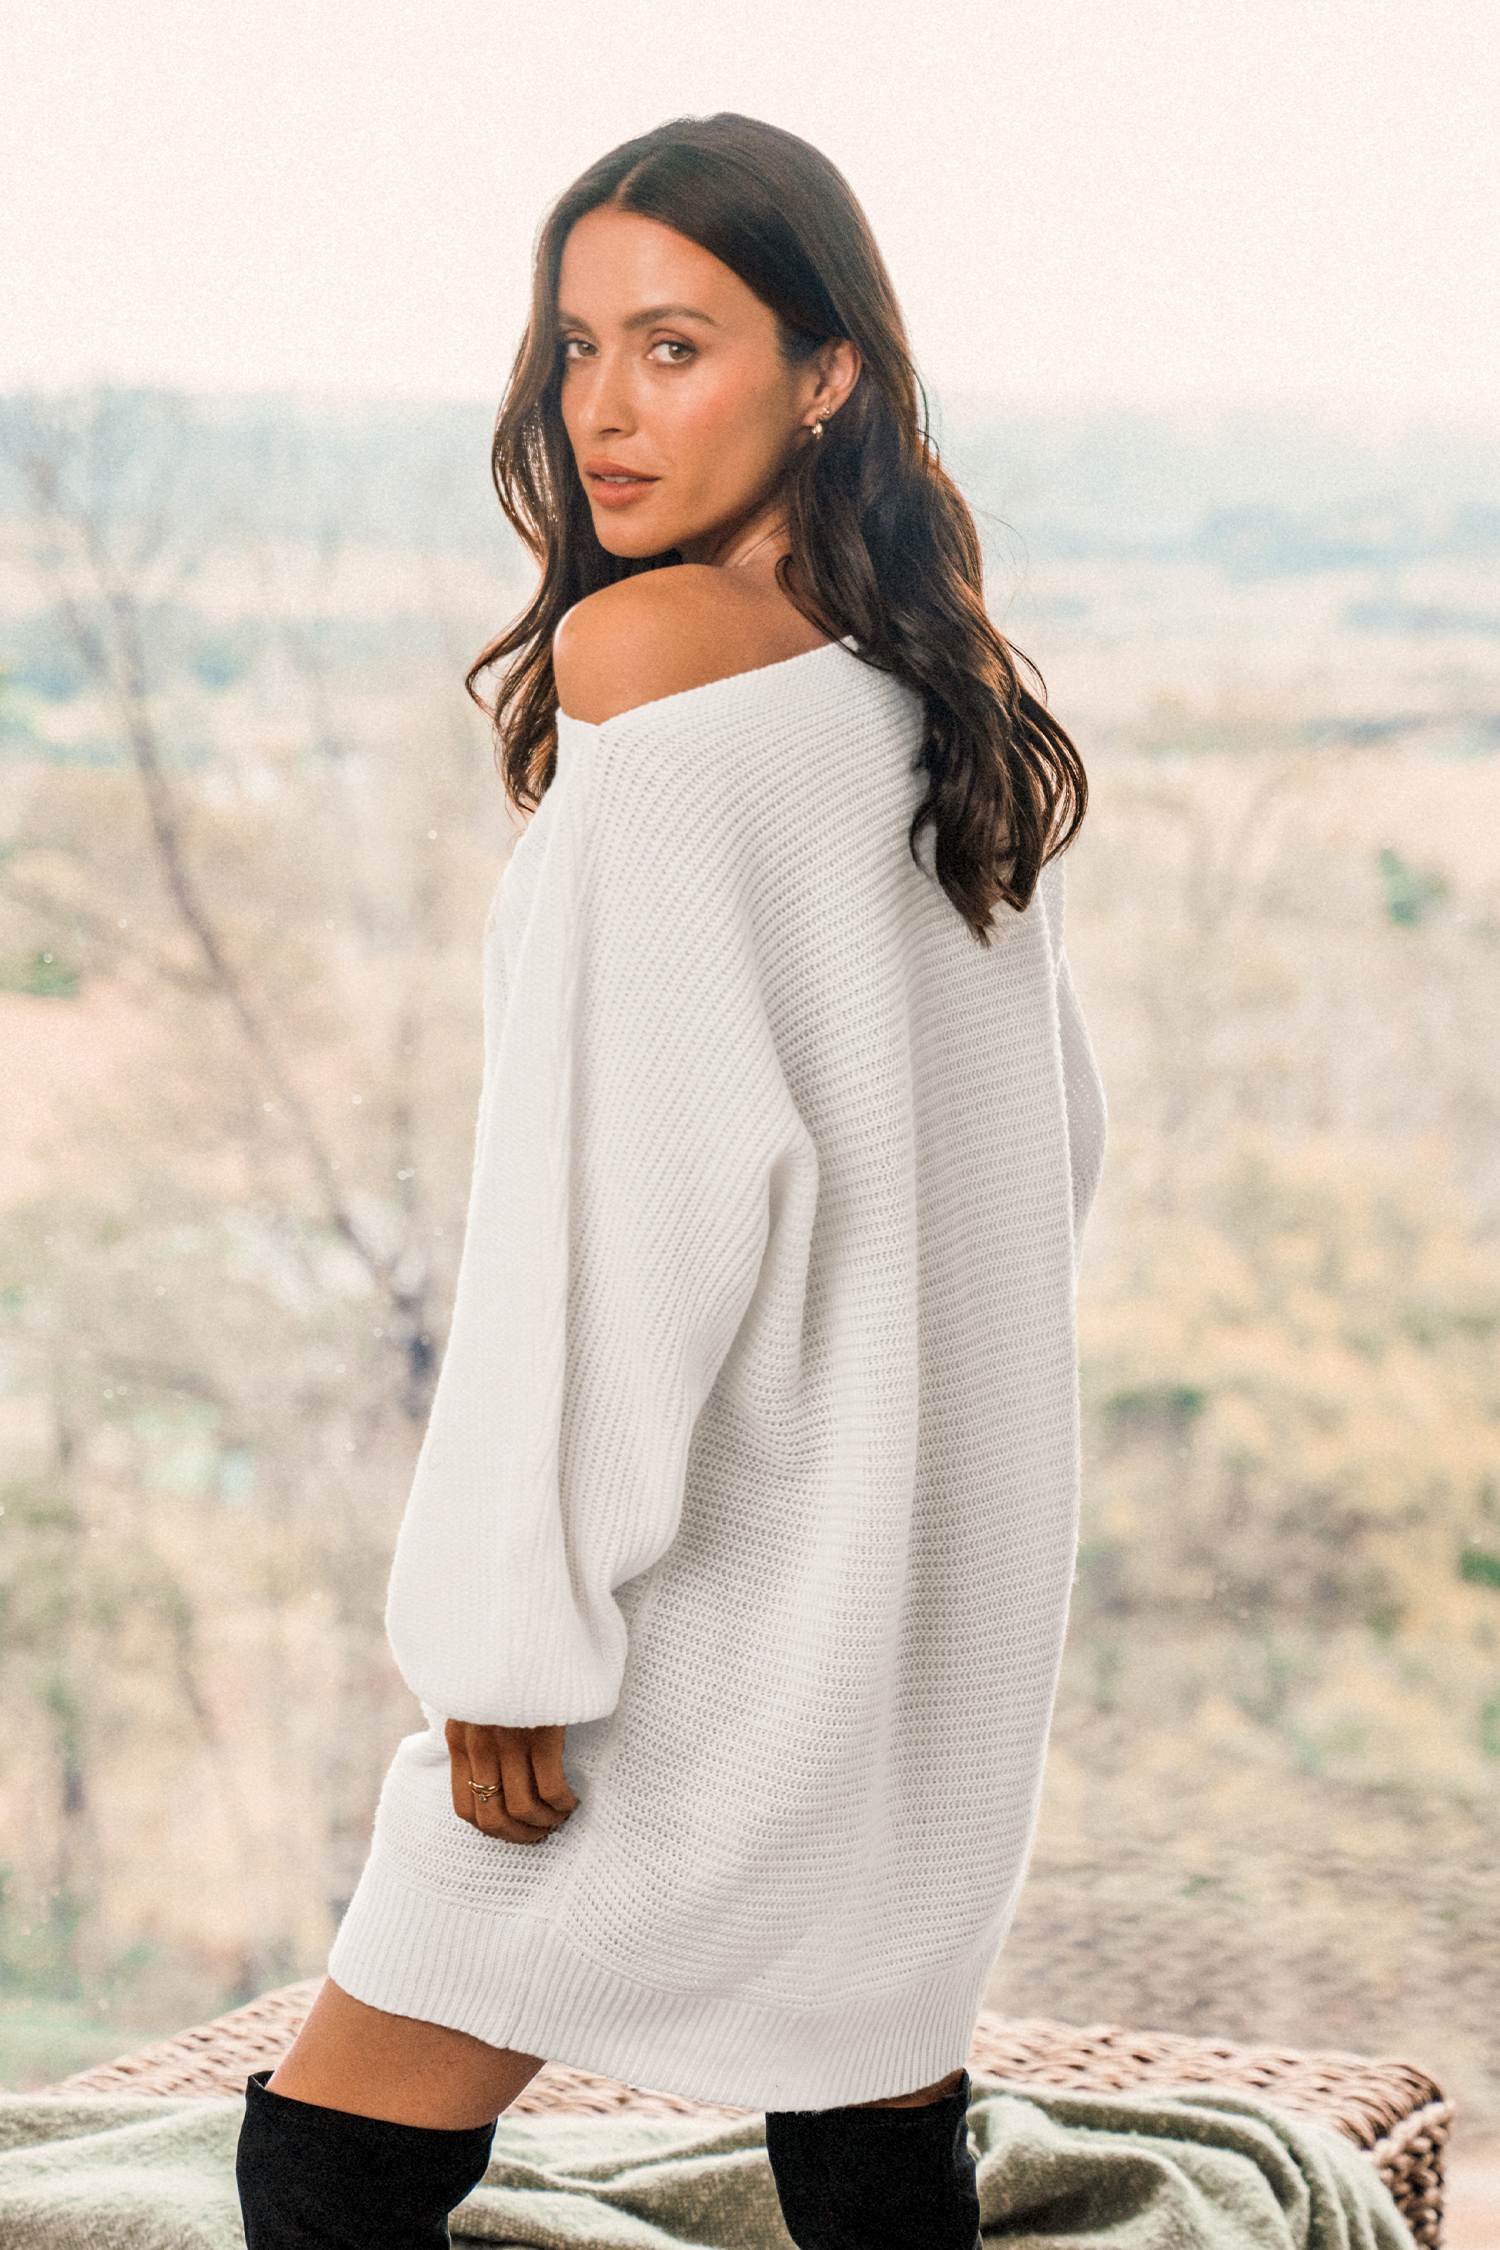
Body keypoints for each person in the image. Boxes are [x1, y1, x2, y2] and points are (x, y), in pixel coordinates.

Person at [236, 112, 1105, 2250]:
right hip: (921, 1589)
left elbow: (600, 1221)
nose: (603, 411)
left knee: (329, 2162)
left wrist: (508, 1625)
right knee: (872, 2124)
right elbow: (1049, 1151)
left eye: (676, 345)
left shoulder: (648, 660)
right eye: (577, 347)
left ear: (828, 372)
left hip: (696, 1606)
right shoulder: (942, 701)